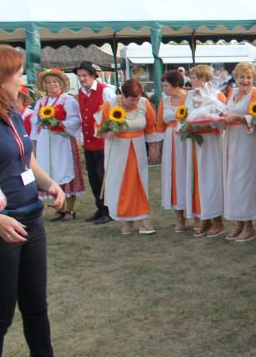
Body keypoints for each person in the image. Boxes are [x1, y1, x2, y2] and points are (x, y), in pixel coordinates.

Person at [0, 45, 68, 357]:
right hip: (3, 227)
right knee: (0, 317)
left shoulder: (12, 113)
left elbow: (28, 161)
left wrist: (50, 183)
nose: (23, 78)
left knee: (36, 306)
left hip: (32, 221)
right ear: (1, 78)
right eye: (18, 73)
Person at [98, 79, 159, 236]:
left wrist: (153, 147)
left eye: (137, 99)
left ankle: (143, 219)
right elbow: (98, 127)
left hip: (137, 148)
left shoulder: (144, 104)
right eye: (131, 99)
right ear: (123, 95)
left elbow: (151, 126)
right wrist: (106, 133)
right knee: (121, 183)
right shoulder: (110, 105)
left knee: (139, 183)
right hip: (117, 149)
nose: (135, 103)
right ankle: (127, 220)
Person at [29, 68, 84, 221]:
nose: (52, 85)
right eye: (48, 82)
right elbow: (34, 124)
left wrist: (59, 123)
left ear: (60, 84)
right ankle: (60, 208)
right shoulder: (41, 103)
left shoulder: (68, 100)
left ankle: (70, 209)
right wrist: (34, 144)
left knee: (66, 170)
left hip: (63, 141)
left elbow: (75, 120)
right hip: (45, 142)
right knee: (50, 172)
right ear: (44, 86)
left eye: (54, 82)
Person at [181, 64, 227, 238]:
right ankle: (202, 216)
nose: (190, 81)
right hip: (194, 143)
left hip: (210, 142)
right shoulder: (189, 95)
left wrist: (205, 125)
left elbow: (223, 120)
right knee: (196, 178)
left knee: (211, 178)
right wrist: (186, 126)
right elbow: (182, 115)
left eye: (193, 78)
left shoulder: (217, 95)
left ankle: (216, 219)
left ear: (203, 78)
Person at [222, 62, 256, 242]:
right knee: (232, 179)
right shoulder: (231, 93)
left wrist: (237, 118)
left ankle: (249, 225)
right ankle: (238, 222)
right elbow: (226, 111)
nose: (245, 80)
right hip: (231, 138)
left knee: (245, 180)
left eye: (249, 77)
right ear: (235, 77)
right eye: (242, 77)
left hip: (247, 140)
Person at [74, 60, 117, 224]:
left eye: (84, 75)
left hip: (102, 142)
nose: (81, 79)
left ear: (93, 76)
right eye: (79, 76)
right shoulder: (81, 92)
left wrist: (110, 130)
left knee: (103, 176)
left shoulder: (105, 91)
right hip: (89, 141)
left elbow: (115, 112)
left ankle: (109, 210)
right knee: (93, 177)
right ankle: (100, 207)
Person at [153, 70, 188, 232]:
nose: (164, 89)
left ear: (176, 85)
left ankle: (198, 215)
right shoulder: (165, 101)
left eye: (166, 86)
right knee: (173, 175)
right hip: (170, 140)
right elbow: (159, 124)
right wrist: (156, 148)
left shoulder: (189, 97)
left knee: (188, 173)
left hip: (187, 138)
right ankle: (179, 216)